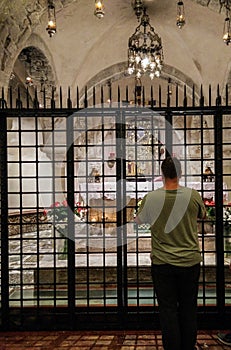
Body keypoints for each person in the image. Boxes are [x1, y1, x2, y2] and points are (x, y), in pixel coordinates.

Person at [135, 156, 206, 350]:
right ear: (180, 173)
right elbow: (203, 215)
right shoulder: (193, 195)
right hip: (189, 260)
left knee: (167, 310)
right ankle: (188, 346)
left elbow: (138, 221)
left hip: (162, 262)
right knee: (188, 307)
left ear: (162, 174)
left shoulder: (151, 198)